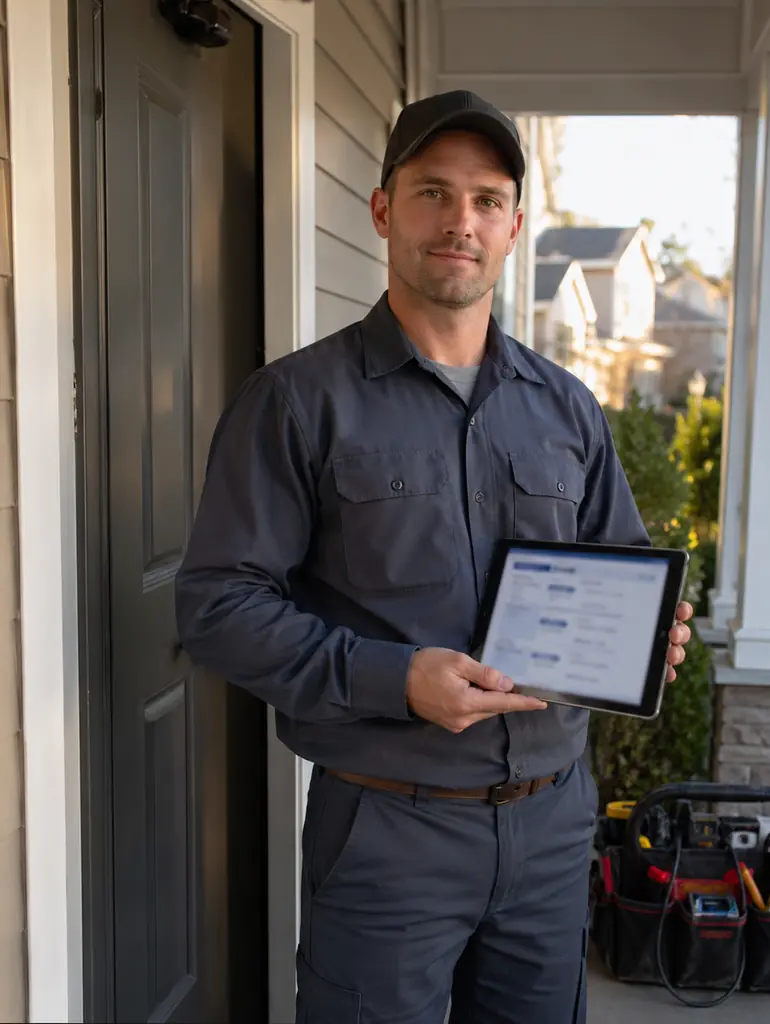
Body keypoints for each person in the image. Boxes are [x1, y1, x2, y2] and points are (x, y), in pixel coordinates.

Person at [175, 89, 693, 1024]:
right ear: (382, 210)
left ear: (515, 226)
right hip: (388, 832)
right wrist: (394, 678)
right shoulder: (296, 401)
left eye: (487, 200)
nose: (462, 222)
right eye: (434, 193)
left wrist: (648, 636)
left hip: (550, 821)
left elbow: (618, 566)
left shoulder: (566, 407)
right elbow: (217, 604)